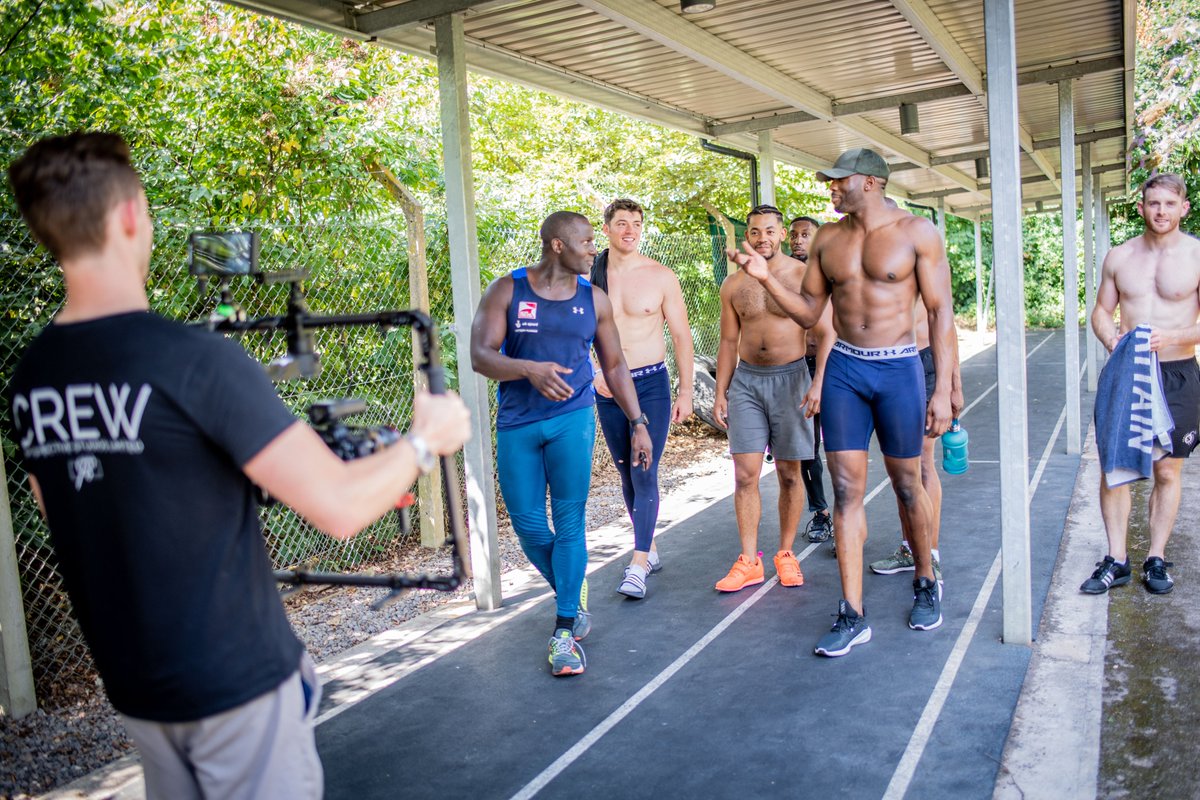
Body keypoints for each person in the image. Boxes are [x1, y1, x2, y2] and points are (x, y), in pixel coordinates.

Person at [5, 132, 471, 799]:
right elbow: (339, 507)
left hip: (138, 687)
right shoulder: (193, 359)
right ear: (132, 215)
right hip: (235, 678)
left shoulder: (35, 375)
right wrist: (426, 440)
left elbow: (66, 504)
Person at [728, 148, 955, 657]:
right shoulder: (829, 240)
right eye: (828, 181)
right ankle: (852, 612)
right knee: (846, 492)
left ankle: (924, 578)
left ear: (871, 182)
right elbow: (810, 313)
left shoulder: (917, 232)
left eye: (839, 180)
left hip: (900, 369)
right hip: (847, 373)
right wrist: (764, 278)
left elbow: (940, 313)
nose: (830, 188)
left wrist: (944, 388)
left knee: (907, 484)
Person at [470, 211, 652, 675]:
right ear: (557, 245)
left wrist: (638, 421)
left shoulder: (595, 300)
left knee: (570, 520)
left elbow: (614, 366)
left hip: (573, 420)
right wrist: (528, 369)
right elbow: (480, 356)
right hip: (518, 423)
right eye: (587, 242)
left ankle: (565, 629)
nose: (595, 249)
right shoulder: (508, 290)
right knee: (530, 525)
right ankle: (572, 589)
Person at [1082, 173, 1200, 596]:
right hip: (1128, 371)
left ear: (1183, 208)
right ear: (1141, 207)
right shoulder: (1120, 256)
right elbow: (1099, 311)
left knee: (1167, 469)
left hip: (1176, 371)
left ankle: (1155, 557)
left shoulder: (1196, 255)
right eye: (1154, 204)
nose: (1161, 211)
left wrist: (1174, 338)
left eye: (1170, 204)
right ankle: (1116, 559)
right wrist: (1111, 338)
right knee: (1115, 469)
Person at [712, 204, 833, 593]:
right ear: (746, 235)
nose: (761, 238)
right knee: (745, 474)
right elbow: (729, 341)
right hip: (747, 381)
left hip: (792, 379)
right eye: (754, 231)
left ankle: (785, 553)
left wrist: (818, 385)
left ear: (782, 235)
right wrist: (721, 391)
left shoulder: (803, 277)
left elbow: (826, 333)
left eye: (769, 231)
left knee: (789, 473)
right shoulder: (733, 285)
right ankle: (749, 560)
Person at [591, 198, 694, 599]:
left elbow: (681, 335)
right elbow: (579, 332)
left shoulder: (660, 275)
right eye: (621, 223)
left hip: (650, 384)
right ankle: (648, 547)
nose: (629, 230)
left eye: (636, 223)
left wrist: (685, 391)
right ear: (607, 229)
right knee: (625, 471)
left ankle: (637, 564)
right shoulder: (589, 277)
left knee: (644, 469)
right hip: (607, 386)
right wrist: (593, 372)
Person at [871, 205, 964, 582]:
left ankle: (932, 552)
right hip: (888, 364)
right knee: (900, 468)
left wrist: (952, 384)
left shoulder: (927, 259)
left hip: (923, 363)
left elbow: (946, 325)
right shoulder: (875, 262)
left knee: (922, 462)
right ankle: (911, 548)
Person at [789, 215, 835, 544]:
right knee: (808, 448)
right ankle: (820, 512)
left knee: (844, 450)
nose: (798, 240)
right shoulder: (782, 274)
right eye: (793, 235)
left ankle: (849, 521)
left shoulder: (832, 272)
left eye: (806, 235)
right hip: (796, 368)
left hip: (833, 366)